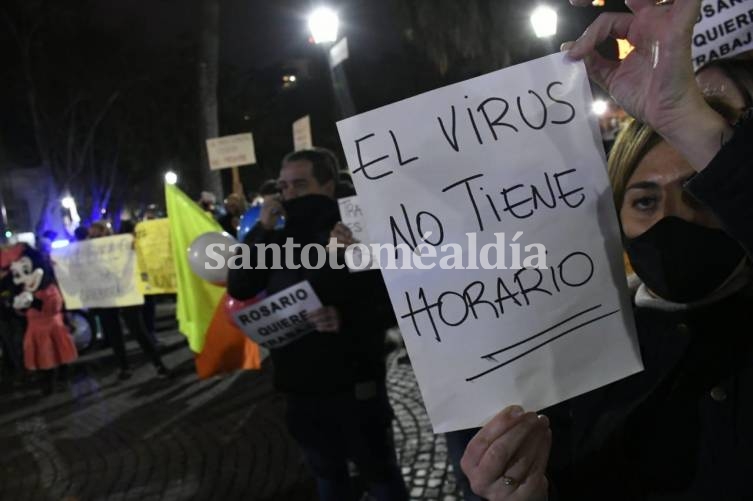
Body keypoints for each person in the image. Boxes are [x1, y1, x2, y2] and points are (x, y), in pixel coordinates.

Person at [461, 1, 753, 499]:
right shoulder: (590, 352)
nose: (672, 220)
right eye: (644, 200)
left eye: (699, 192)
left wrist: (687, 119)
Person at [227, 148, 408, 501]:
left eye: (299, 184)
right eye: (284, 186)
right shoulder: (276, 237)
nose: (290, 193)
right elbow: (241, 285)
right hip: (300, 385)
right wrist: (262, 230)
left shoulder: (354, 229)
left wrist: (346, 317)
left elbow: (388, 302)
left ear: (327, 186)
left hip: (355, 382)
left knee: (380, 473)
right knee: (327, 475)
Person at [87, 221, 169, 380]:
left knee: (138, 330)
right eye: (92, 235)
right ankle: (124, 367)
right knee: (114, 333)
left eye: (98, 234)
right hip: (107, 296)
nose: (95, 238)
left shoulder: (122, 245)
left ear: (107, 233)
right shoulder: (88, 252)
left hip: (126, 292)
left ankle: (158, 365)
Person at [9, 244, 78, 394]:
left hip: (52, 326)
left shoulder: (48, 287)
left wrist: (34, 302)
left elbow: (54, 306)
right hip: (34, 328)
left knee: (57, 354)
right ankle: (47, 383)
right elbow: (22, 312)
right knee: (41, 358)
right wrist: (19, 306)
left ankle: (60, 379)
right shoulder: (25, 288)